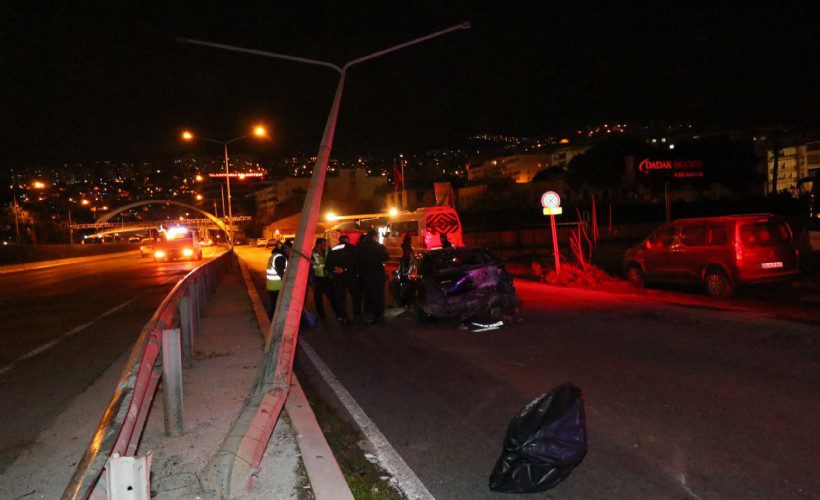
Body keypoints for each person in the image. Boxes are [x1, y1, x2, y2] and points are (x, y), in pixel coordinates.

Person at [356, 229, 390, 324]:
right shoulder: (379, 246)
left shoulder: (360, 246)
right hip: (378, 275)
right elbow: (386, 258)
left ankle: (367, 313)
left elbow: (357, 260)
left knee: (369, 295)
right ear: (375, 236)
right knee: (379, 295)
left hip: (365, 275)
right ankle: (379, 316)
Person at [325, 235, 360, 325]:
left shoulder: (334, 249)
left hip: (339, 277)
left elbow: (328, 264)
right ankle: (356, 316)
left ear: (339, 241)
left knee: (341, 298)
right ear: (347, 240)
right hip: (351, 276)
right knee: (355, 297)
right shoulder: (353, 248)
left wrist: (334, 269)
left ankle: (343, 317)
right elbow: (358, 262)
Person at [311, 237, 335, 321]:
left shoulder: (326, 252)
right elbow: (310, 268)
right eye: (324, 244)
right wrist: (312, 281)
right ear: (319, 244)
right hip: (317, 279)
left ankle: (338, 314)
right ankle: (322, 316)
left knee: (332, 297)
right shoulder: (312, 254)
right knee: (318, 299)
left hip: (326, 278)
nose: (325, 246)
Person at [266, 239, 291, 319]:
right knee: (277, 308)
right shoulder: (280, 257)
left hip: (272, 286)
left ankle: (272, 323)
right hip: (278, 287)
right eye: (290, 250)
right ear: (286, 249)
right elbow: (281, 274)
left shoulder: (275, 255)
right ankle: (275, 325)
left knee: (274, 306)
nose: (290, 252)